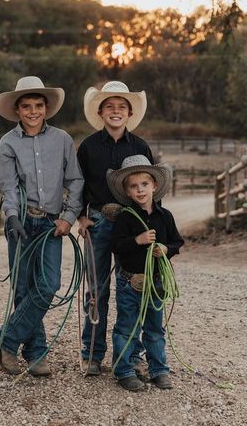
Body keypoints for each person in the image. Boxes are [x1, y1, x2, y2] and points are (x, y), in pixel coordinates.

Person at [0, 76, 84, 377]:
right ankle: (36, 351)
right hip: (21, 219)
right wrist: (12, 216)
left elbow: (75, 181)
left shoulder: (62, 140)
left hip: (50, 223)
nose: (33, 111)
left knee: (48, 284)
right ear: (18, 110)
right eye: (26, 106)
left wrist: (68, 217)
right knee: (23, 288)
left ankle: (7, 338)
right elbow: (8, 186)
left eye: (38, 105)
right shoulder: (8, 143)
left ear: (46, 108)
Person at [77, 81, 153, 376]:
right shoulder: (88, 146)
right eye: (109, 106)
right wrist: (81, 218)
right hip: (97, 221)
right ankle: (92, 353)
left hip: (130, 224)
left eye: (121, 107)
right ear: (100, 111)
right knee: (96, 289)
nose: (116, 111)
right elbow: (78, 183)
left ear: (130, 112)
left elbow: (150, 189)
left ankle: (131, 354)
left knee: (131, 286)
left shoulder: (140, 147)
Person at [107, 154, 184, 391]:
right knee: (127, 327)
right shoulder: (124, 218)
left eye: (144, 184)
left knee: (154, 327)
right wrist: (138, 240)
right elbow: (116, 246)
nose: (140, 190)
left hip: (156, 282)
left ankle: (159, 369)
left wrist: (166, 248)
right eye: (133, 186)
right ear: (127, 192)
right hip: (130, 281)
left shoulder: (165, 217)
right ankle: (124, 370)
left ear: (154, 186)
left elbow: (177, 242)